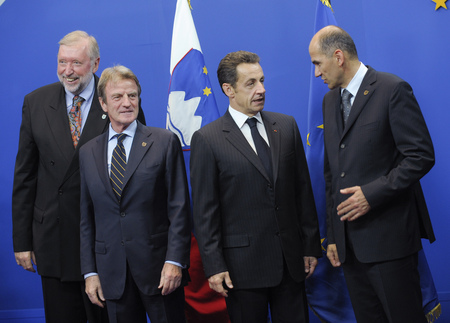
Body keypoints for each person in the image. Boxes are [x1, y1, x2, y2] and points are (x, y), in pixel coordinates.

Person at [12, 30, 145, 323]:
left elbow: (138, 174)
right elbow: (25, 176)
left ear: (95, 64)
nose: (67, 71)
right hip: (55, 241)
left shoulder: (118, 99)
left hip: (107, 242)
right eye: (62, 62)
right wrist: (21, 240)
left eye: (76, 63)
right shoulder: (35, 102)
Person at [308, 25, 435, 323]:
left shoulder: (392, 89)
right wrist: (334, 237)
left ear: (338, 56)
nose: (316, 73)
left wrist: (371, 194)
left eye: (317, 63)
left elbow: (420, 156)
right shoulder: (329, 101)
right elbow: (332, 176)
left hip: (390, 242)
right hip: (351, 249)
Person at [190, 50, 322, 323]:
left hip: (291, 263)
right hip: (242, 270)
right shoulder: (208, 139)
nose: (261, 89)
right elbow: (205, 212)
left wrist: (309, 246)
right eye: (250, 84)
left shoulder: (285, 126)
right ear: (228, 89)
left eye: (261, 80)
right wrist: (214, 266)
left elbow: (303, 192)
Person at [79, 65, 191, 323]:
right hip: (112, 275)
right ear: (103, 104)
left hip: (161, 272)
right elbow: (87, 219)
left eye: (133, 95)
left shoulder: (164, 142)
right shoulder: (88, 152)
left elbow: (180, 208)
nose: (127, 103)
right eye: (117, 97)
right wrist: (90, 272)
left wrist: (175, 261)